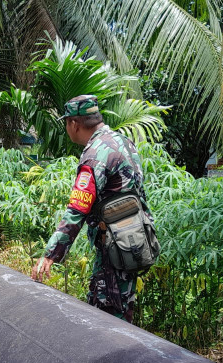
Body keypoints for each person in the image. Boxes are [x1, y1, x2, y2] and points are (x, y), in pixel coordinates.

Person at [31, 94, 149, 323]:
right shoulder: (123, 141)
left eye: (66, 122)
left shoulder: (94, 156)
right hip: (134, 242)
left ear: (74, 124)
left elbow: (77, 209)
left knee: (107, 320)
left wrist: (51, 255)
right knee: (122, 311)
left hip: (114, 251)